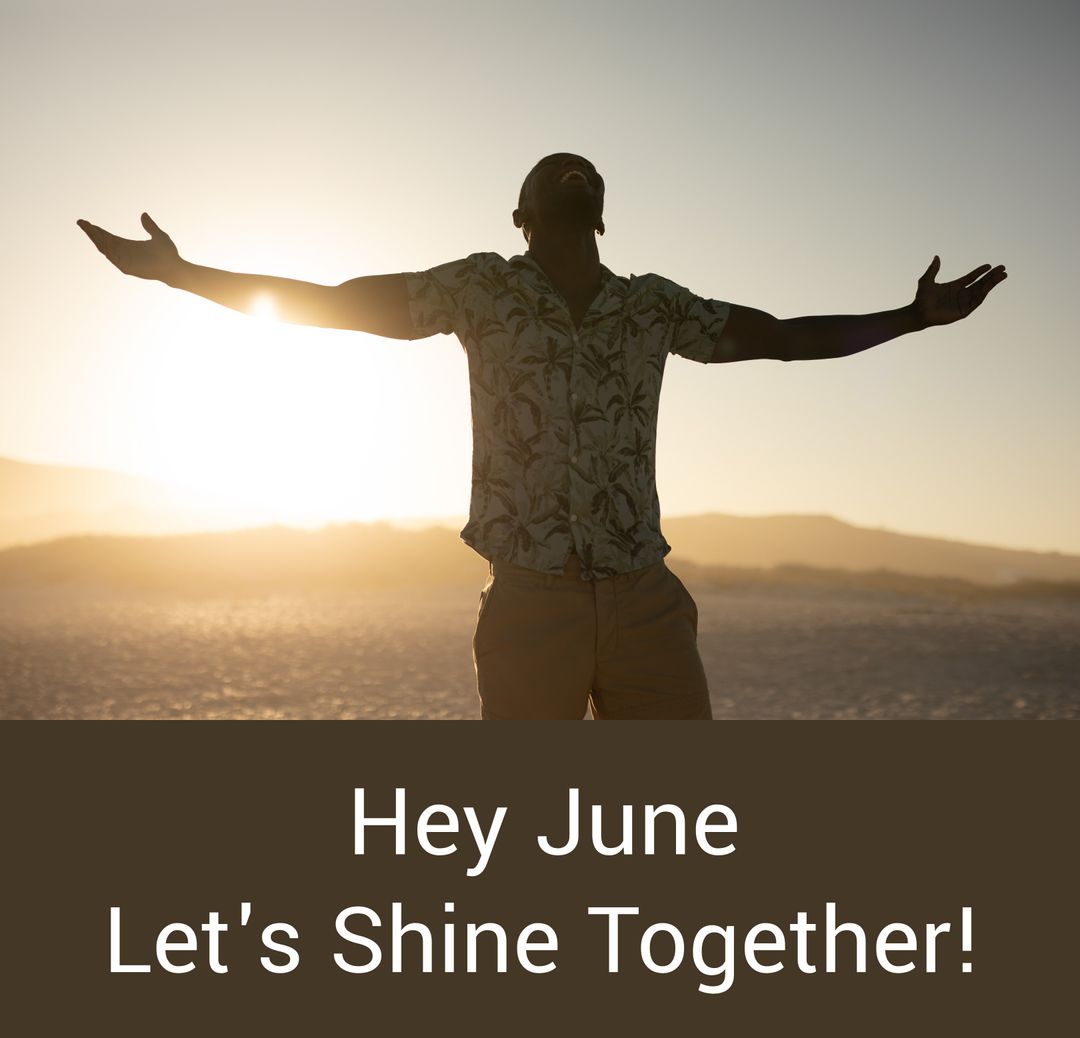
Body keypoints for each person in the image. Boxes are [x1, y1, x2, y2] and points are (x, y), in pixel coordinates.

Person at [77, 152, 1007, 721]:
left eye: (582, 167)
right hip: (530, 604)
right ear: (520, 215)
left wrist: (909, 319)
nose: (569, 168)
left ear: (600, 211)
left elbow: (783, 339)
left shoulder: (652, 307)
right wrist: (185, 274)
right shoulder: (481, 288)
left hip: (646, 603)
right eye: (548, 168)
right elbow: (332, 305)